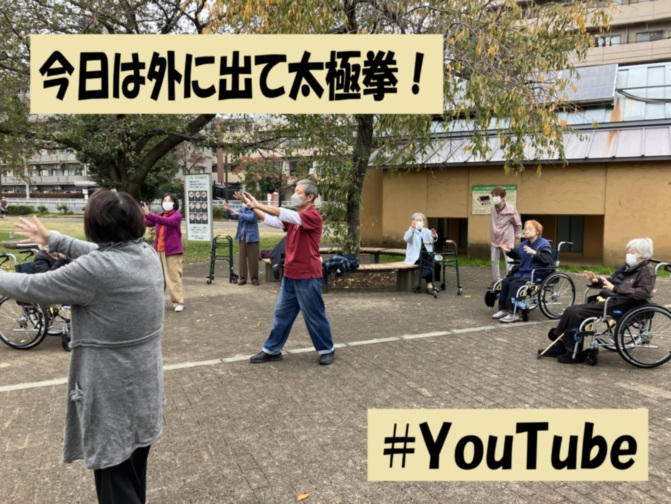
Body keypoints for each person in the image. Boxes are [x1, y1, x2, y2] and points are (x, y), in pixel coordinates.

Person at [2, 190, 165, 504]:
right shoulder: (145, 254)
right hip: (145, 389)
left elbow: (30, 286)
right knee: (133, 475)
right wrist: (54, 240)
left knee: (115, 485)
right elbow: (100, 252)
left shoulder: (95, 271)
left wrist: (55, 241)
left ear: (95, 227)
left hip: (111, 395)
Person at [237, 181, 336, 365]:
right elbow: (273, 221)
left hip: (308, 276)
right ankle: (272, 350)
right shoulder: (295, 217)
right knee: (282, 315)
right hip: (290, 274)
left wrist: (258, 204)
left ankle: (326, 349)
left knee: (314, 315)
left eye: (299, 192)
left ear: (310, 197)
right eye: (295, 191)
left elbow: (284, 213)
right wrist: (252, 207)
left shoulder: (313, 216)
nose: (295, 195)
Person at [546, 237, 656, 364]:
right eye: (628, 252)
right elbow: (611, 281)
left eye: (632, 252)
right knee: (570, 310)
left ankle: (574, 352)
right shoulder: (627, 267)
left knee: (577, 313)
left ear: (643, 254)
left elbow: (643, 293)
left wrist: (615, 289)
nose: (628, 255)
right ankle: (561, 345)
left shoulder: (647, 270)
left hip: (624, 304)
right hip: (614, 300)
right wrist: (596, 280)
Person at [491, 219, 553, 323]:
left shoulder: (543, 243)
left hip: (536, 273)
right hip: (523, 273)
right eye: (525, 229)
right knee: (506, 281)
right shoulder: (524, 243)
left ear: (537, 231)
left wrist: (534, 253)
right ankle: (504, 309)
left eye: (530, 229)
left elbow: (548, 259)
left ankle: (513, 313)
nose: (526, 231)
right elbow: (516, 255)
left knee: (515, 284)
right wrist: (509, 251)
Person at [143, 194, 185, 312]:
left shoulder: (176, 216)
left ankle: (178, 302)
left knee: (173, 277)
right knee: (158, 278)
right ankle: (157, 302)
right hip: (159, 250)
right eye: (164, 200)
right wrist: (142, 214)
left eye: (169, 200)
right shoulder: (160, 216)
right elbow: (147, 222)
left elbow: (167, 222)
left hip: (172, 251)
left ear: (174, 203)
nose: (166, 202)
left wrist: (150, 214)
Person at [489, 186, 522, 288]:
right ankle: (496, 281)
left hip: (507, 239)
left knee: (509, 261)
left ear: (503, 197)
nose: (494, 198)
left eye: (496, 196)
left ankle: (509, 280)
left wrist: (516, 237)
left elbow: (518, 224)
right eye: (493, 196)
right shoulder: (493, 208)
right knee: (494, 261)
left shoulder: (511, 209)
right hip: (495, 238)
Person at [224, 200, 260, 286]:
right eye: (246, 201)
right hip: (242, 237)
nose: (247, 203)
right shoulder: (242, 210)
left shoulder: (255, 210)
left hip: (252, 238)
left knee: (253, 259)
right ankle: (243, 278)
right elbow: (233, 216)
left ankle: (254, 278)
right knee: (242, 259)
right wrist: (227, 210)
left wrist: (239, 214)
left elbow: (251, 218)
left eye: (248, 201)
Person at [403, 213, 441, 294]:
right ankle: (429, 285)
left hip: (427, 254)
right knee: (428, 264)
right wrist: (412, 229)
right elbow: (406, 239)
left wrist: (434, 236)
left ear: (423, 222)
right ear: (413, 221)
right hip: (416, 255)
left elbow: (433, 240)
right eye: (416, 220)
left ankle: (432, 282)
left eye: (420, 220)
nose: (419, 222)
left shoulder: (426, 231)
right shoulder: (411, 231)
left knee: (437, 264)